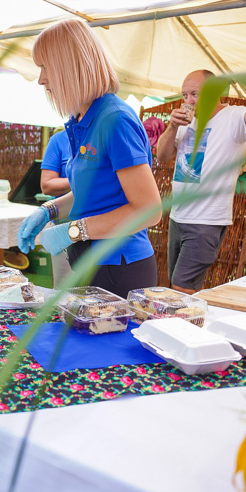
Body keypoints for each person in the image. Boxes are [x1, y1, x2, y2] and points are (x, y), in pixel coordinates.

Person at [17, 19, 163, 298]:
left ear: (68, 66)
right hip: (89, 259)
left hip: (119, 267)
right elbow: (92, 193)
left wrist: (71, 231)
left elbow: (149, 210)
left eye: (45, 67)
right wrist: (49, 210)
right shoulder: (82, 120)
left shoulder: (115, 119)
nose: (41, 79)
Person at [155, 69, 246, 295]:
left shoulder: (233, 117)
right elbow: (162, 156)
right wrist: (172, 127)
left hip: (206, 221)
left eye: (194, 94)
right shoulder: (185, 122)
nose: (188, 101)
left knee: (180, 289)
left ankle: (183, 328)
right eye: (184, 95)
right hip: (178, 216)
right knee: (182, 287)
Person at [39, 129, 74, 286]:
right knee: (64, 290)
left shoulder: (107, 134)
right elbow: (46, 185)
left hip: (102, 229)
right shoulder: (59, 140)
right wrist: (79, 181)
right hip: (65, 226)